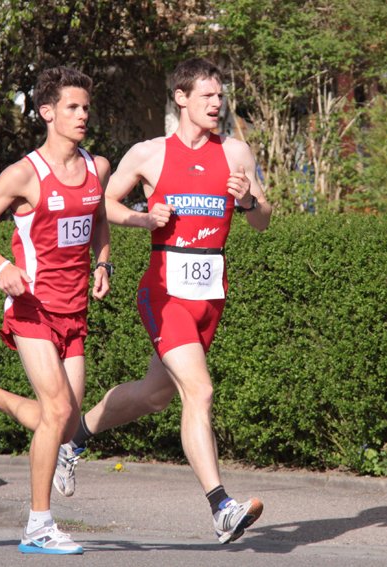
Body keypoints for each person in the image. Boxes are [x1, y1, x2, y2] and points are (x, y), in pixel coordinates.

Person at [53, 57, 273, 545]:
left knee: (156, 395)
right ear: (181, 98)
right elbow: (101, 203)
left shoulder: (235, 152)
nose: (216, 104)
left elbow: (263, 219)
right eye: (207, 96)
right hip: (164, 292)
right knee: (200, 391)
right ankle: (221, 507)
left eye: (220, 96)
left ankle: (75, 439)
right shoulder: (149, 154)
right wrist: (142, 218)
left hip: (209, 295)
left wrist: (247, 202)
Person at [0, 66, 112, 555]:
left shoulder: (98, 167)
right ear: (47, 112)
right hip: (32, 308)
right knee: (56, 411)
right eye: (72, 107)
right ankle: (38, 525)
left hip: (74, 310)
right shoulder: (24, 174)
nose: (82, 115)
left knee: (65, 424)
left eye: (86, 107)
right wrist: (1, 266)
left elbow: (98, 218)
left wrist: (103, 262)